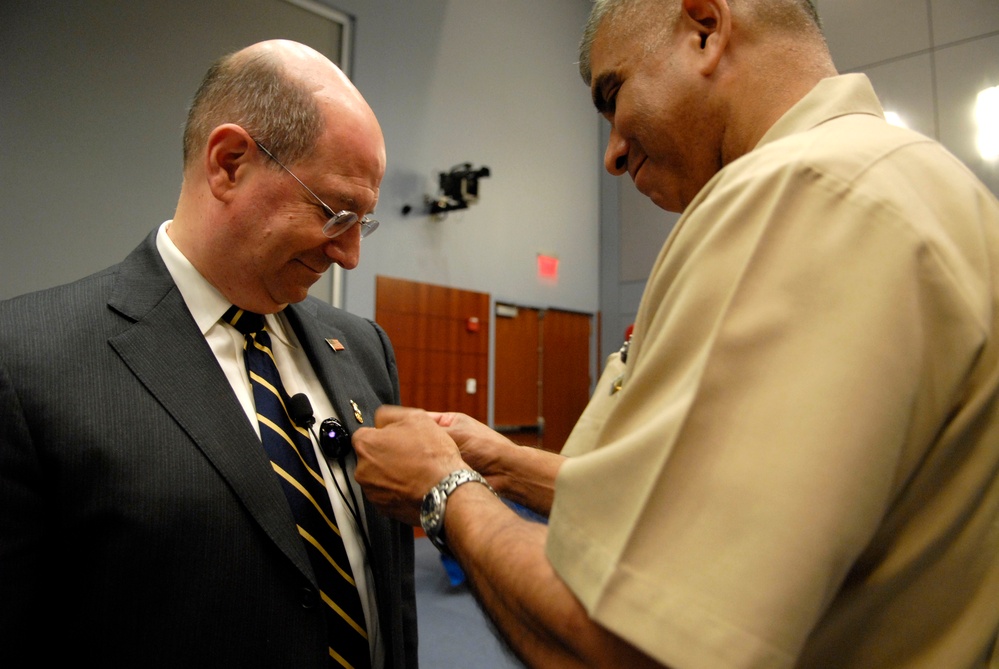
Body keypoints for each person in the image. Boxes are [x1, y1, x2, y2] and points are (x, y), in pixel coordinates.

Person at [350, 0, 999, 667]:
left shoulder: (799, 191)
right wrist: (502, 462)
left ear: (704, 29)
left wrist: (443, 489)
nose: (611, 155)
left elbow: (632, 647)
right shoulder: (918, 183)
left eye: (613, 94)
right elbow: (736, 508)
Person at [0, 40, 417, 667]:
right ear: (228, 163)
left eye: (365, 221)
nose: (350, 254)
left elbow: (392, 594)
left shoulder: (363, 347)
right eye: (336, 213)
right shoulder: (26, 361)